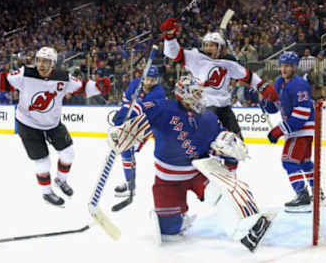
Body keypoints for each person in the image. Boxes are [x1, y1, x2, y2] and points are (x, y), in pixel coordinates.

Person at [106, 75, 273, 252]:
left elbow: (221, 140)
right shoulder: (164, 107)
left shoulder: (209, 117)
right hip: (167, 180)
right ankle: (178, 219)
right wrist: (124, 117)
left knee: (220, 193)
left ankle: (247, 229)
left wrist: (229, 151)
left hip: (198, 171)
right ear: (182, 94)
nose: (200, 97)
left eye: (200, 93)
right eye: (196, 93)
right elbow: (139, 108)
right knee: (169, 232)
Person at [0, 47, 111, 207]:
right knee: (43, 162)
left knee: (68, 153)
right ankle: (47, 193)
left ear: (53, 64)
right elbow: (4, 81)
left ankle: (61, 180)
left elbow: (82, 87)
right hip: (28, 124)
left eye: (46, 61)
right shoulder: (25, 73)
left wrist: (98, 87)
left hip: (52, 124)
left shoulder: (63, 77)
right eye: (38, 60)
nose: (41, 64)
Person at [159, 17, 278, 171]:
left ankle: (231, 176)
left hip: (225, 109)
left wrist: (263, 87)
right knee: (214, 144)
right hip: (206, 109)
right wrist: (170, 36)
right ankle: (210, 168)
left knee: (237, 146)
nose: (208, 48)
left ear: (220, 48)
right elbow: (173, 53)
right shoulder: (196, 58)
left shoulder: (228, 64)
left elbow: (248, 76)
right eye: (206, 45)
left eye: (212, 45)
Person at [260, 52, 316, 213]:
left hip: (301, 129)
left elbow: (302, 113)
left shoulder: (299, 84)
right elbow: (274, 107)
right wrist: (264, 101)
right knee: (304, 163)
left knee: (289, 162)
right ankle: (317, 191)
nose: (284, 69)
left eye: (287, 66)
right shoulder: (279, 82)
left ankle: (302, 195)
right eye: (282, 66)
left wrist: (279, 130)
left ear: (295, 67)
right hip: (297, 130)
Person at [112, 65, 166, 197]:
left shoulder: (159, 93)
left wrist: (124, 117)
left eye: (152, 80)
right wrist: (123, 115)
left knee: (127, 149)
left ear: (156, 80)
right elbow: (126, 100)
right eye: (147, 79)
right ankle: (130, 183)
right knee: (126, 151)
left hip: (149, 124)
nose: (149, 82)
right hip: (133, 121)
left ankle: (131, 184)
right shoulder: (135, 84)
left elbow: (140, 108)